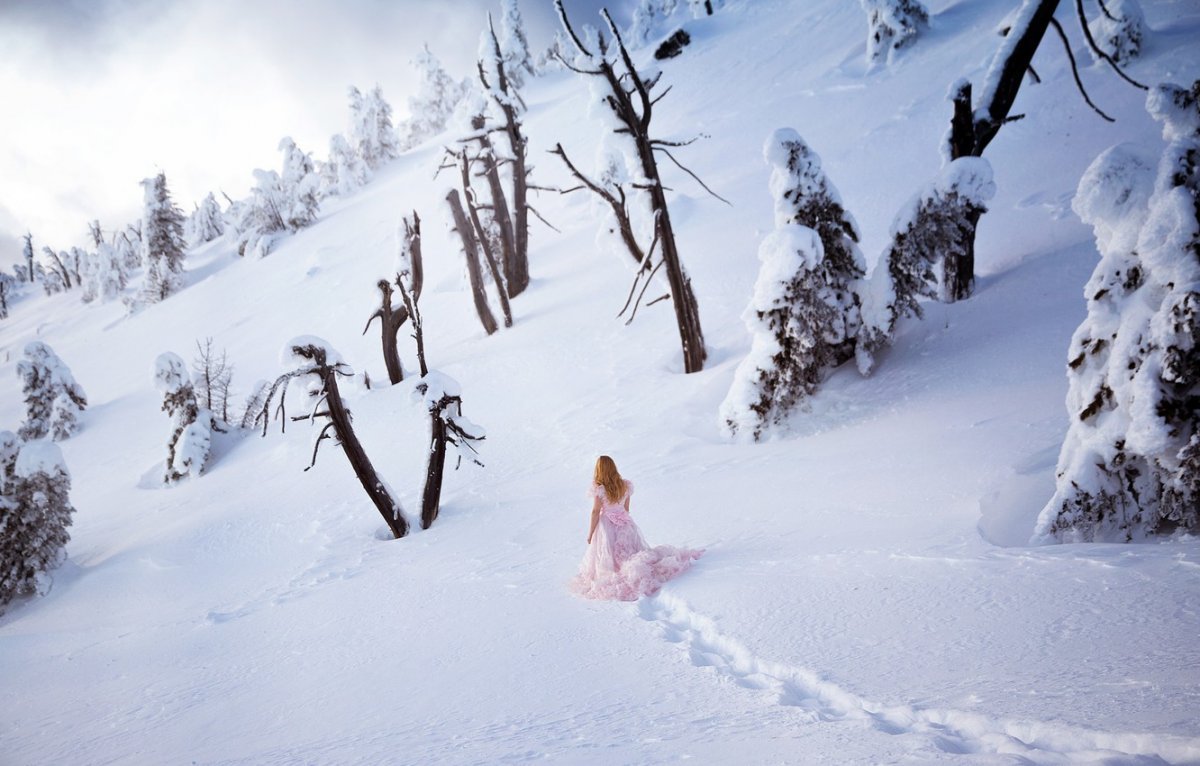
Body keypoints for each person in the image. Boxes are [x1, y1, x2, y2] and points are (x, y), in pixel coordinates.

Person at [570, 455, 703, 601]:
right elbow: (626, 509)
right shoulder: (625, 486)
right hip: (625, 524)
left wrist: (591, 533)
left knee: (608, 552)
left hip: (606, 526)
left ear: (599, 470)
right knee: (629, 551)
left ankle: (614, 573)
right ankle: (629, 571)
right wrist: (620, 517)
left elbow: (595, 512)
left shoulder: (600, 489)